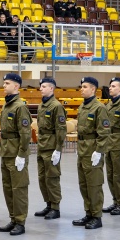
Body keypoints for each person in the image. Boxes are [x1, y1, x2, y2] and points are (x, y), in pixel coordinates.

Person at [72, 77, 110, 230]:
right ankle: (88, 213)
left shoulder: (99, 108)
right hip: (82, 149)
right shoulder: (82, 107)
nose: (81, 89)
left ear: (93, 89)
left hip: (93, 150)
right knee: (84, 185)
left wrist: (99, 151)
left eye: (85, 87)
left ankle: (97, 216)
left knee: (94, 185)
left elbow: (104, 132)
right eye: (81, 86)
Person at [0, 73, 31, 236]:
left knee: (19, 188)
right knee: (8, 188)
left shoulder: (20, 107)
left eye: (7, 83)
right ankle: (13, 218)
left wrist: (22, 155)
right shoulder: (6, 105)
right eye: (4, 83)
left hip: (16, 152)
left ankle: (20, 221)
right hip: (6, 151)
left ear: (16, 86)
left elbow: (25, 133)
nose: (4, 85)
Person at [33, 77, 67, 220]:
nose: (41, 88)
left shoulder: (56, 106)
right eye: (41, 86)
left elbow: (61, 129)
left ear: (51, 89)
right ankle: (48, 204)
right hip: (42, 145)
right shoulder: (42, 105)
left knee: (52, 177)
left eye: (44, 86)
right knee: (42, 178)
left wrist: (58, 149)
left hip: (52, 146)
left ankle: (55, 207)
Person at [102, 77, 120, 216]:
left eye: (114, 86)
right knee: (110, 176)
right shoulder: (108, 106)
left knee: (119, 176)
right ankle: (115, 201)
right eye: (110, 86)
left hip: (119, 143)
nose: (110, 88)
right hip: (109, 144)